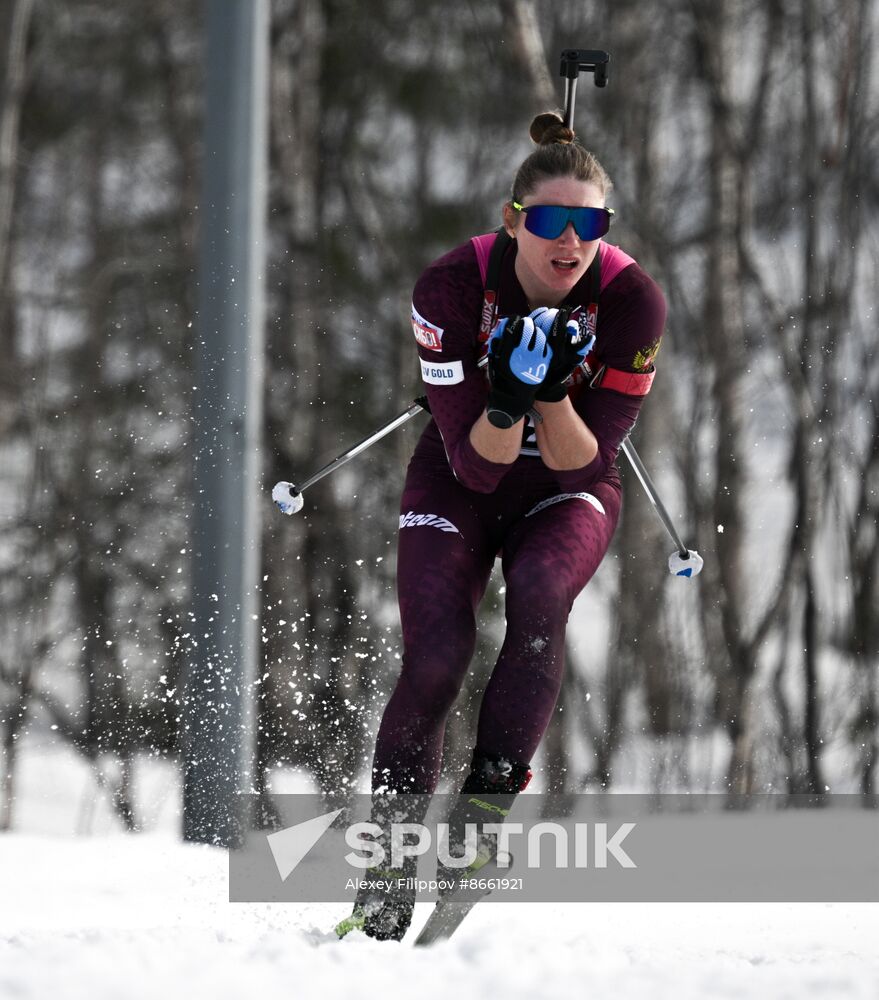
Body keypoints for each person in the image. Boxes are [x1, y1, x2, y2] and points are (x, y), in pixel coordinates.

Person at [338, 111, 666, 941]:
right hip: (458, 479)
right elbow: (477, 464)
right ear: (513, 219)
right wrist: (508, 395)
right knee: (437, 659)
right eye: (549, 221)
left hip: (565, 488)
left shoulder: (631, 303)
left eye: (587, 223)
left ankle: (478, 823)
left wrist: (550, 392)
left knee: (540, 590)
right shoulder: (450, 287)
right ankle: (387, 863)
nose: (568, 241)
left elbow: (582, 466)